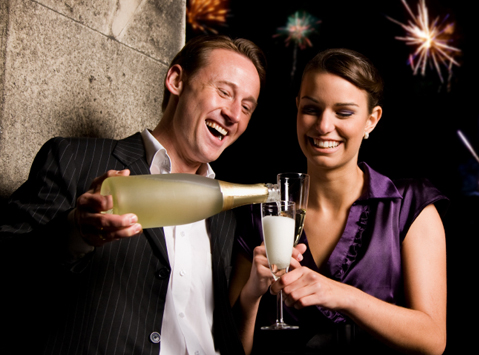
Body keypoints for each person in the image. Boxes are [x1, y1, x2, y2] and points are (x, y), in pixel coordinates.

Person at [0, 34, 266, 355]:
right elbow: (9, 271)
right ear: (176, 80)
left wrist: (253, 294)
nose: (234, 114)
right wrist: (76, 232)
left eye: (247, 107)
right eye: (224, 92)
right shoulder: (73, 159)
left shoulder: (225, 217)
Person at [229, 48, 449, 355]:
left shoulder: (409, 207)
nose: (323, 126)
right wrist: (251, 296)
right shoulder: (261, 214)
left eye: (343, 113)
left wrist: (342, 295)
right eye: (311, 109)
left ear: (372, 120)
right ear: (297, 109)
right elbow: (233, 349)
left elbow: (433, 339)